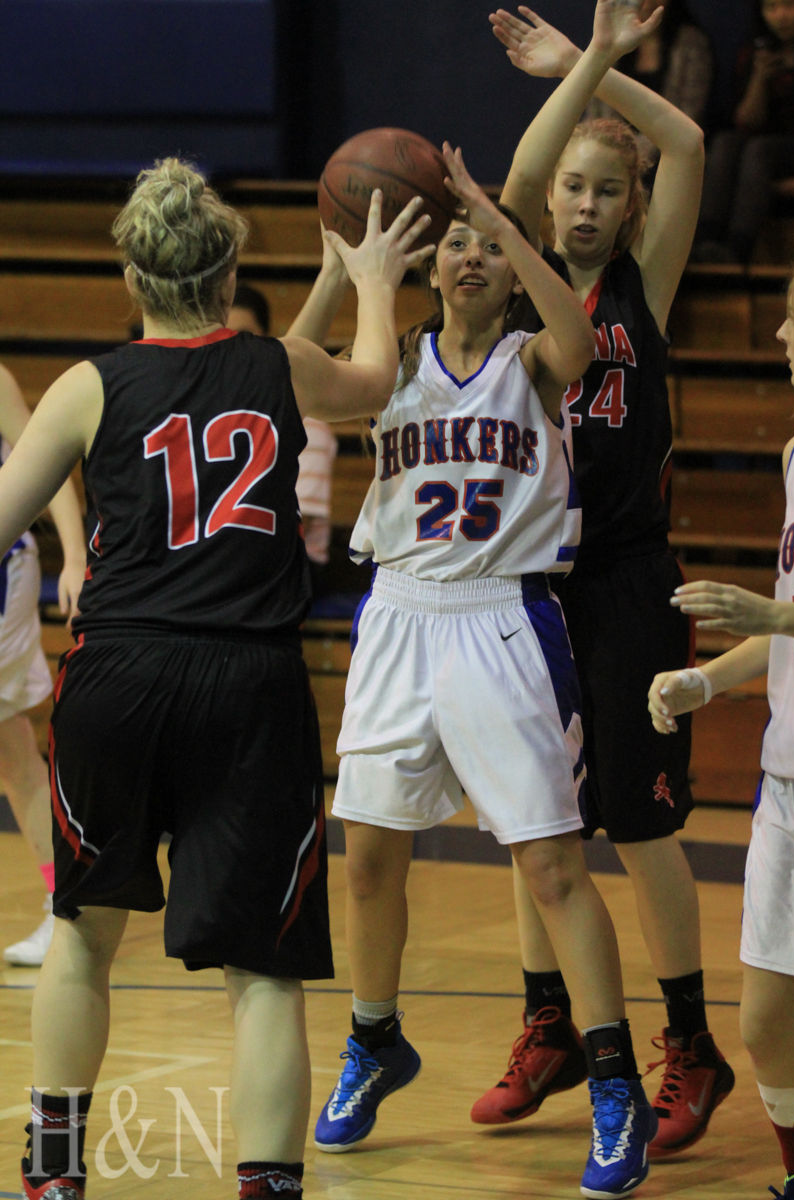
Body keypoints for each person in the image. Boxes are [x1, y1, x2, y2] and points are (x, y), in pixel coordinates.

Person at [0, 157, 434, 1200]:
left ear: (130, 276)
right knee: (264, 973)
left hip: (120, 674)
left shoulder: (87, 385)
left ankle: (55, 1176)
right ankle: (267, 1187)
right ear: (229, 262)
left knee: (81, 935)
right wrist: (371, 277)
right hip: (246, 683)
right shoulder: (276, 367)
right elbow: (370, 384)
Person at [312, 17, 676, 1195]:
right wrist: (341, 262)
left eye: (486, 246)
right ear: (422, 267)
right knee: (366, 859)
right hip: (398, 618)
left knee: (552, 868)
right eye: (453, 247)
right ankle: (375, 1037)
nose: (468, 257)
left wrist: (494, 215)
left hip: (505, 620)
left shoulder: (532, 356)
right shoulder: (386, 363)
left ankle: (611, 1076)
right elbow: (285, 365)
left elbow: (572, 327)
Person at [472, 0, 734, 1160]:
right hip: (528, 584)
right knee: (540, 824)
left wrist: (599, 68)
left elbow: (682, 142)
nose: (579, 203)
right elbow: (520, 169)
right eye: (570, 188)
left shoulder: (647, 286)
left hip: (625, 581)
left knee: (636, 826)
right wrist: (572, 73)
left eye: (600, 190)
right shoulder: (523, 278)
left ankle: (690, 1044)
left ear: (628, 209)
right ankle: (552, 1025)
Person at [647, 261, 794, 1200]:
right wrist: (707, 679)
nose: (781, 338)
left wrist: (775, 620)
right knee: (767, 1017)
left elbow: (784, 617)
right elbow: (785, 623)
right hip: (788, 777)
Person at [0, 362, 84, 967]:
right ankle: (64, 900)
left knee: (9, 745)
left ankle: (66, 903)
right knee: (10, 749)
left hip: (4, 570)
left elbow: (50, 464)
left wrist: (76, 557)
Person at [228, 281, 339, 597]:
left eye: (245, 337)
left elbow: (282, 526)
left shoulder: (309, 419)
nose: (234, 349)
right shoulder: (205, 408)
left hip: (293, 561)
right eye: (224, 338)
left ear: (268, 340)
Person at [693, 0, 794, 264]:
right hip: (763, 151)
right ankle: (705, 241)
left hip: (786, 151)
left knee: (759, 150)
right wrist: (760, 78)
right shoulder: (755, 52)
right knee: (726, 142)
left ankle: (737, 250)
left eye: (789, 5)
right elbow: (746, 122)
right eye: (771, 8)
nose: (781, 16)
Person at [587, 0, 714, 183]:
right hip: (612, 152)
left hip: (665, 151)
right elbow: (596, 108)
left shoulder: (691, 43)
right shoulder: (614, 39)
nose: (643, 3)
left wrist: (631, 155)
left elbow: (689, 115)